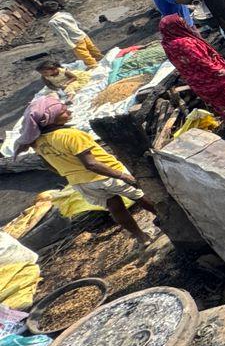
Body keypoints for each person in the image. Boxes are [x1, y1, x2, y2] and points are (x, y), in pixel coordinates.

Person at [21, 96, 156, 244]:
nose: (70, 112)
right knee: (140, 196)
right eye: (64, 112)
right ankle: (171, 221)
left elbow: (48, 165)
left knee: (115, 207)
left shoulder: (37, 142)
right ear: (51, 119)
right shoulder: (72, 135)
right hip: (107, 174)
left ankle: (141, 237)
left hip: (81, 183)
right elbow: (91, 164)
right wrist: (123, 176)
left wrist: (68, 172)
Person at [158, 14, 225, 130]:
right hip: (214, 79)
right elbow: (204, 63)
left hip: (199, 83)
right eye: (182, 23)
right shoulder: (185, 43)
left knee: (224, 105)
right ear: (176, 26)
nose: (185, 24)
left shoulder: (167, 43)